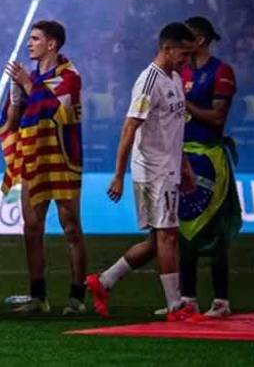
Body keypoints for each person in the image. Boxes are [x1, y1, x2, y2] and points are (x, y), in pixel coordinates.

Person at [87, 23, 199, 322]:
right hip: (153, 170)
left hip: (168, 168)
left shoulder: (175, 78)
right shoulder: (149, 81)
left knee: (157, 240)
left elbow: (174, 129)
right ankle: (175, 306)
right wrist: (118, 175)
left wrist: (184, 165)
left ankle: (104, 281)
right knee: (169, 236)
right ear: (168, 49)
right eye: (184, 54)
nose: (187, 60)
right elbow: (129, 127)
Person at [2, 20, 87, 315]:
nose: (30, 43)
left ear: (51, 44)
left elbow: (58, 109)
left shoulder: (69, 75)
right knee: (32, 226)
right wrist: (16, 97)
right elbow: (12, 123)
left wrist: (27, 84)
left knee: (70, 225)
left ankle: (77, 297)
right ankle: (38, 296)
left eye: (36, 39)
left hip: (62, 158)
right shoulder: (30, 77)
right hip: (34, 156)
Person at [174, 16, 239, 318]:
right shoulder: (181, 71)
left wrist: (184, 103)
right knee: (184, 227)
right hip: (184, 157)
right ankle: (188, 298)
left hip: (210, 158)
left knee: (214, 228)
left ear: (200, 40)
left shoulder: (221, 72)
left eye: (187, 36)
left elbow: (217, 117)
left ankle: (221, 300)